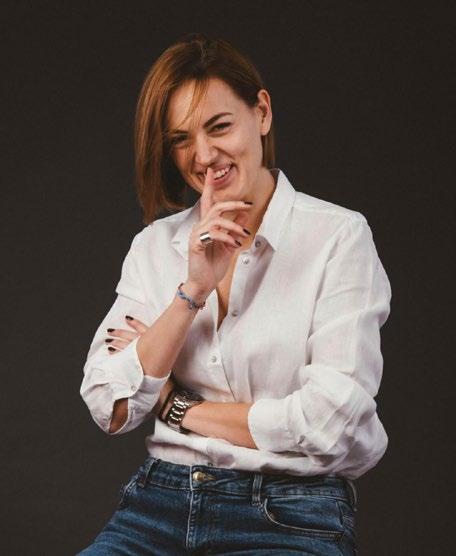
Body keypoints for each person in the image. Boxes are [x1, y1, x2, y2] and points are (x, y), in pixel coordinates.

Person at [77, 33, 391, 555]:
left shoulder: (337, 237)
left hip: (288, 510)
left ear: (261, 112)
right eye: (181, 138)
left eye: (219, 126)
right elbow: (110, 404)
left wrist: (176, 405)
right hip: (157, 503)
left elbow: (331, 421)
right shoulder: (155, 247)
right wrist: (192, 290)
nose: (203, 156)